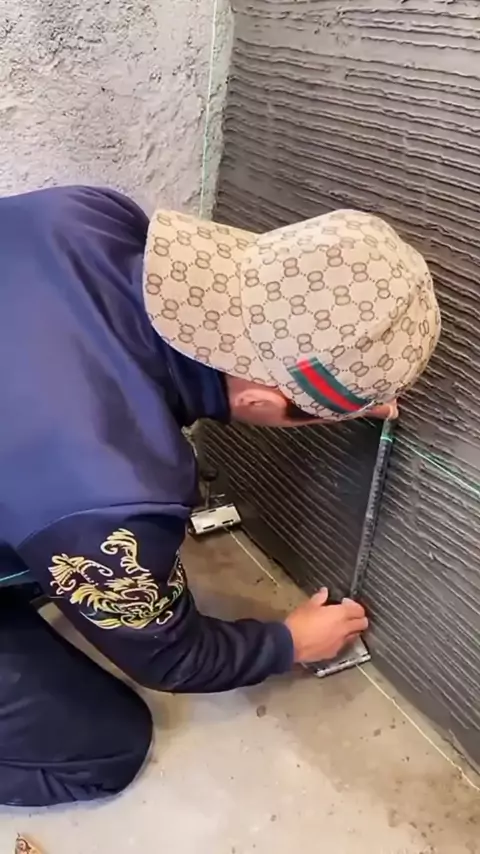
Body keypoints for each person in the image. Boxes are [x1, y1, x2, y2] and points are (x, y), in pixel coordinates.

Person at [0, 186, 440, 808]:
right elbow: (170, 657)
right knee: (106, 750)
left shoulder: (84, 216)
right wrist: (285, 644)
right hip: (59, 489)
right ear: (260, 401)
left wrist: (332, 395)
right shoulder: (110, 494)